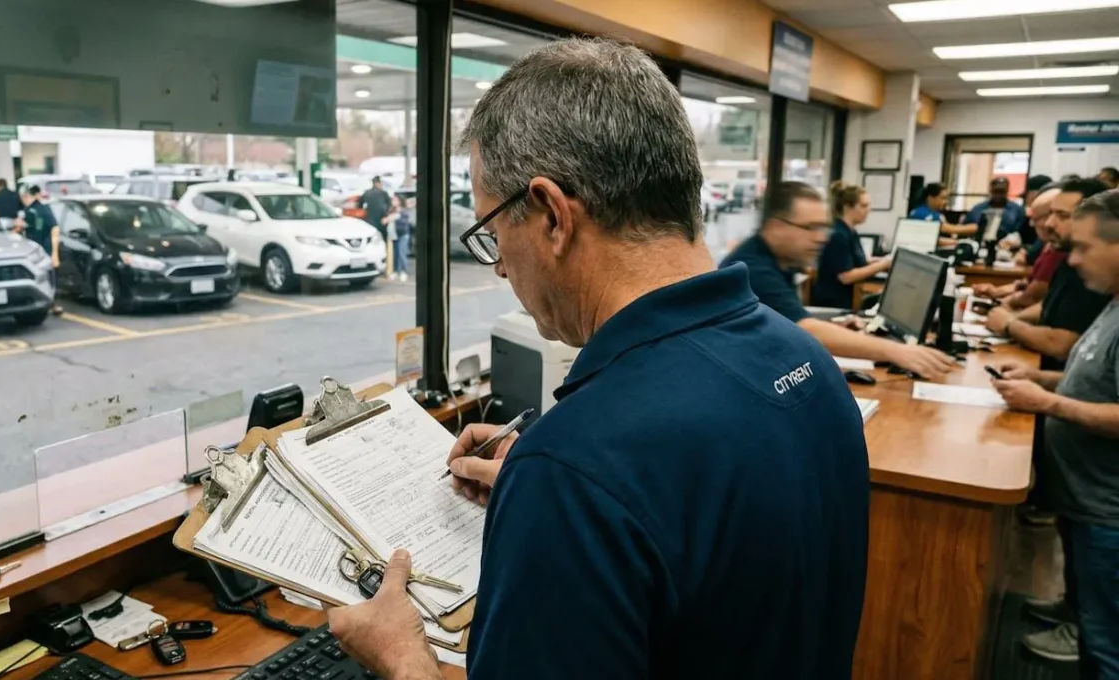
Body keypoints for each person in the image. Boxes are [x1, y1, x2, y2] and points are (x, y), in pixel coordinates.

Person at [325, 38, 871, 680]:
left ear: (554, 215)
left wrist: (401, 657)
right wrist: (570, 504)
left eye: (493, 232)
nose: (498, 264)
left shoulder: (576, 467)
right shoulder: (804, 357)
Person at [990, 188, 1119, 679]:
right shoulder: (1109, 301)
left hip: (1109, 511)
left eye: (1085, 247)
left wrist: (1050, 403)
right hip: (1084, 499)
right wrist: (1039, 380)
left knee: (1107, 644)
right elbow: (1092, 377)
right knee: (1092, 613)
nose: (1072, 257)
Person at [723, 182, 955, 378]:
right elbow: (806, 330)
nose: (821, 238)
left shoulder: (778, 259)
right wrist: (898, 352)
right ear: (776, 227)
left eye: (823, 228)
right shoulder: (752, 269)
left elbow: (785, 323)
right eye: (810, 228)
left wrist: (834, 326)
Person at [986, 179, 1112, 371]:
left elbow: (1062, 344)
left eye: (1062, 216)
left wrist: (1010, 325)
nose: (1049, 223)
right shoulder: (1067, 258)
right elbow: (1049, 305)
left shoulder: (1097, 273)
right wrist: (1014, 317)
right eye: (1051, 213)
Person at [974, 187, 1063, 311]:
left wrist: (999, 305)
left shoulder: (1059, 251)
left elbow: (1031, 296)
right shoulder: (1049, 246)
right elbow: (1028, 284)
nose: (1031, 224)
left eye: (1036, 218)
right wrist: (997, 291)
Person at [812, 180, 889, 309]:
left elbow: (855, 260)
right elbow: (845, 276)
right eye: (864, 206)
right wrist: (882, 265)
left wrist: (879, 261)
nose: (869, 210)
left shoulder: (849, 231)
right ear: (848, 207)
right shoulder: (838, 235)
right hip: (836, 304)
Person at [17, 185, 63, 316]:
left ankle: (53, 303)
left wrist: (55, 254)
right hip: (35, 251)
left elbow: (55, 228)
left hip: (44, 250)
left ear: (26, 196)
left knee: (49, 277)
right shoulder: (30, 210)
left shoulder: (42, 209)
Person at [964, 177, 1027, 242]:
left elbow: (1021, 233)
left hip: (1007, 246)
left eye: (1001, 192)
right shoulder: (977, 209)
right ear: (990, 190)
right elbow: (966, 228)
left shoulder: (1017, 210)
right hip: (978, 243)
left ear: (1007, 191)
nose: (998, 195)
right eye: (996, 191)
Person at [359, 176, 393, 240]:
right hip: (381, 219)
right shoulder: (384, 193)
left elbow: (360, 205)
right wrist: (387, 213)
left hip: (370, 220)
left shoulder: (366, 193)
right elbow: (390, 205)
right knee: (383, 238)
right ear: (378, 183)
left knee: (371, 238)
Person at [389, 196, 413, 282]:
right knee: (395, 254)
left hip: (403, 234)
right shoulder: (391, 210)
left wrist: (397, 217)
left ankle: (403, 271)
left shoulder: (403, 211)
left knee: (402, 253)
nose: (393, 202)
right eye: (393, 200)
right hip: (394, 235)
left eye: (395, 200)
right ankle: (396, 271)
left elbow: (405, 222)